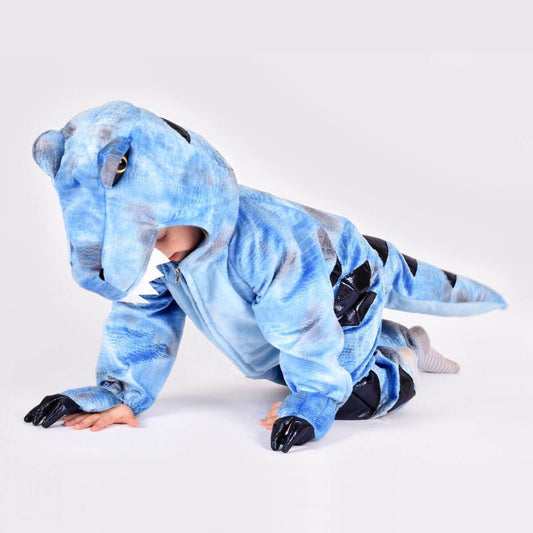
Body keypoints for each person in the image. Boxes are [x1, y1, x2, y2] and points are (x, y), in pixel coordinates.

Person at [24, 101, 506, 452]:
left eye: (161, 234)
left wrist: (314, 396)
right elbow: (140, 320)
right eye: (146, 243)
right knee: (282, 366)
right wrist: (121, 394)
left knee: (357, 396)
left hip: (344, 285)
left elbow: (304, 322)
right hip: (286, 323)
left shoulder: (268, 242)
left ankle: (400, 353)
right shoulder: (167, 253)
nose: (160, 252)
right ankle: (392, 340)